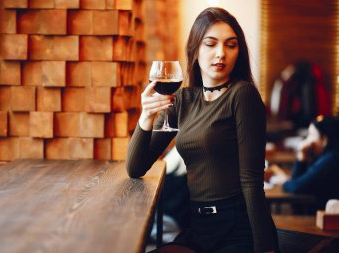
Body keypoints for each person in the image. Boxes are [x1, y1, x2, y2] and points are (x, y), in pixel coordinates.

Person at [127, 7, 279, 253]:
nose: (221, 54)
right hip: (198, 226)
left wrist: (265, 248)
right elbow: (135, 167)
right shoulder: (182, 100)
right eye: (211, 44)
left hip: (237, 228)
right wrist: (146, 116)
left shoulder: (242, 94)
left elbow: (251, 179)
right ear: (195, 49)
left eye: (231, 45)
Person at [283, 115, 339, 209]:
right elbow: (297, 182)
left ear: (324, 140)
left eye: (312, 135)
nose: (307, 140)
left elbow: (296, 187)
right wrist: (302, 158)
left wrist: (285, 183)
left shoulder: (331, 160)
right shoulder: (326, 156)